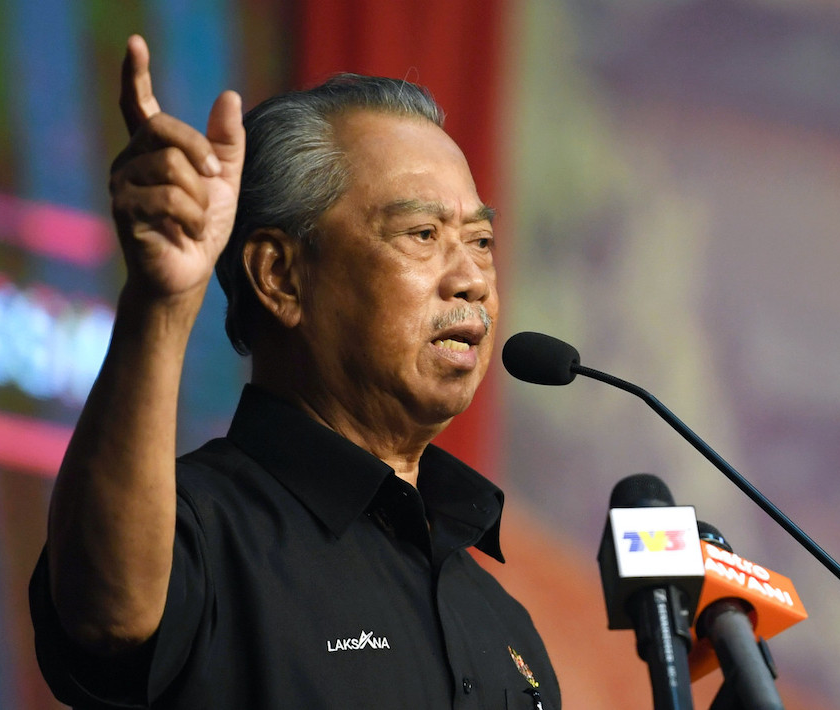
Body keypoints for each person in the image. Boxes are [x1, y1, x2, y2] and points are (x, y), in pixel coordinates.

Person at [30, 34, 561, 710]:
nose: (471, 281)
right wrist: (159, 303)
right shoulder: (197, 532)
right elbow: (107, 616)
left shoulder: (502, 621)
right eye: (422, 235)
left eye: (481, 242)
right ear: (280, 277)